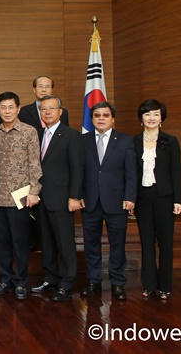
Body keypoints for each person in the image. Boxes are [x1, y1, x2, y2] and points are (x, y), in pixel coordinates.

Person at [80, 101, 137, 300]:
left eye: (105, 115)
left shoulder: (126, 141)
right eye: (97, 115)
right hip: (89, 201)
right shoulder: (82, 140)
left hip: (117, 201)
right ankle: (93, 281)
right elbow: (78, 171)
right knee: (91, 244)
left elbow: (131, 172)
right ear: (92, 119)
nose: (101, 118)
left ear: (113, 119)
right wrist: (78, 194)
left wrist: (130, 197)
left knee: (117, 244)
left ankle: (118, 283)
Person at [30, 95, 84, 302]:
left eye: (52, 108)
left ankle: (67, 282)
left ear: (60, 111)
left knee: (65, 242)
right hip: (41, 198)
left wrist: (74, 196)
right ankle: (50, 278)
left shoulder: (71, 135)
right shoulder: (38, 134)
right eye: (43, 109)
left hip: (62, 198)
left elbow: (77, 168)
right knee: (47, 241)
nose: (47, 112)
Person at [0, 92, 42, 301]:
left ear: (18, 109)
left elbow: (34, 163)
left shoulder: (29, 131)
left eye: (11, 107)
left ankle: (20, 281)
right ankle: (6, 279)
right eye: (3, 107)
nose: (7, 111)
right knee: (1, 242)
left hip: (20, 197)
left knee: (20, 242)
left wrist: (34, 191)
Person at [134, 99, 181, 300]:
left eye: (155, 114)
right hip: (142, 198)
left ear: (161, 118)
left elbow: (176, 172)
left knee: (165, 242)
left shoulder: (170, 141)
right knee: (146, 242)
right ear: (141, 118)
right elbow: (130, 173)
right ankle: (149, 284)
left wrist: (178, 200)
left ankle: (165, 285)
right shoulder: (133, 142)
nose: (151, 118)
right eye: (147, 114)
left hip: (165, 198)